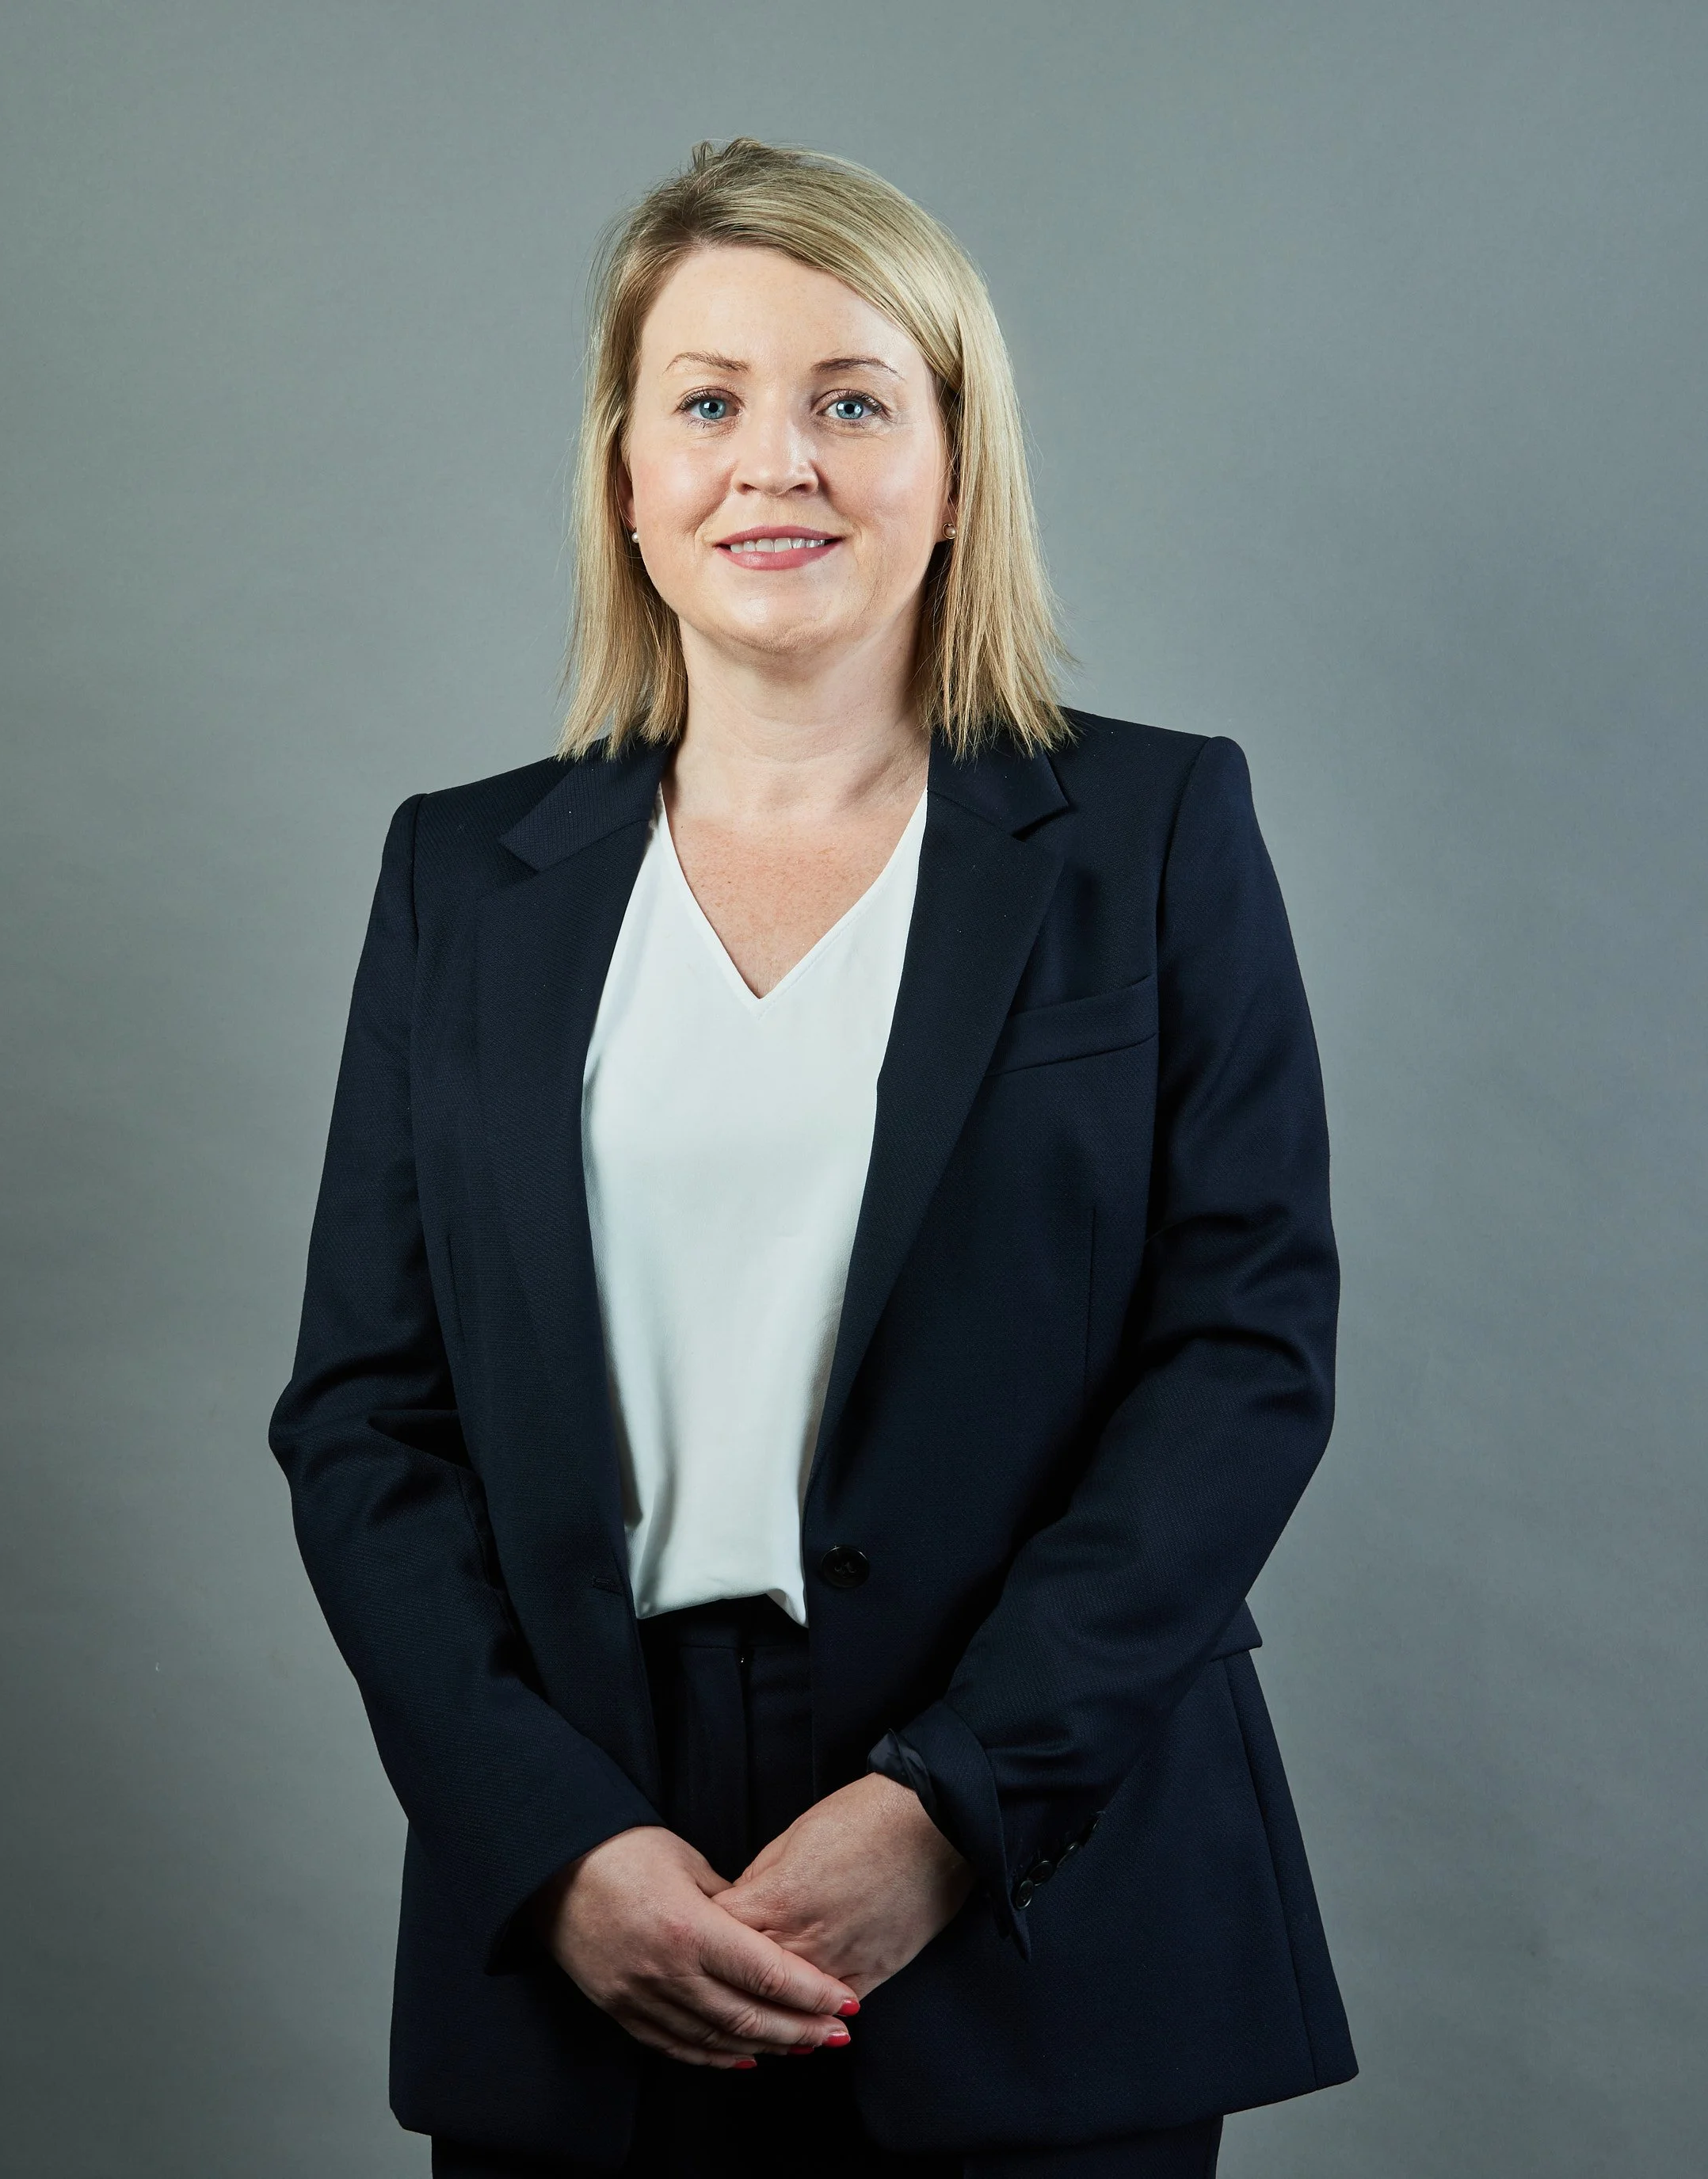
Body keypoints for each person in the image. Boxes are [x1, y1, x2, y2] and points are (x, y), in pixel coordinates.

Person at [269, 136, 1356, 2179]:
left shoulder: (1150, 840)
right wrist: (552, 1842)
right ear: (626, 479)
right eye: (708, 404)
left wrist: (951, 1806)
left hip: (1039, 1873)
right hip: (599, 1881)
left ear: (958, 463)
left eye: (852, 399)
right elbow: (365, 1418)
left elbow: (1242, 1360)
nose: (778, 463)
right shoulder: (460, 881)